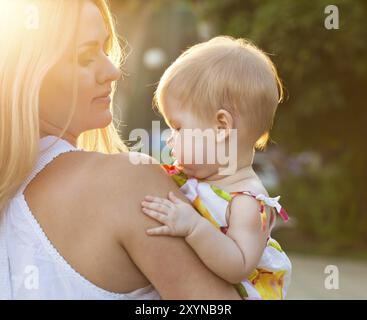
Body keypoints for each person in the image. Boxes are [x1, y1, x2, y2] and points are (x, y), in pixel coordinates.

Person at [0, 0, 241, 300]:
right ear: (29, 74)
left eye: (105, 49)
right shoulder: (127, 180)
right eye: (85, 57)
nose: (112, 71)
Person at [140, 36, 292, 299]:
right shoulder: (200, 178)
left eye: (178, 127)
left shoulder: (247, 204)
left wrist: (193, 228)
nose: (169, 137)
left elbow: (238, 266)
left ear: (221, 127)